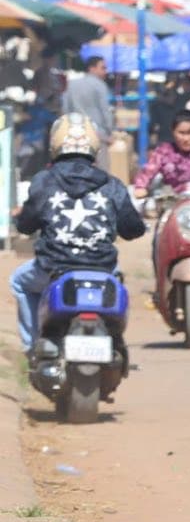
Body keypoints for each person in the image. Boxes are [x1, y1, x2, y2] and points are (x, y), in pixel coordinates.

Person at [12, 115, 146, 354]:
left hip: (52, 269)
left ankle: (32, 347)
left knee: (19, 283)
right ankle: (116, 340)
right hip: (103, 269)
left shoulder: (43, 181)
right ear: (94, 146)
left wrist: (21, 217)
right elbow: (134, 229)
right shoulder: (112, 185)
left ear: (55, 144)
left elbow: (25, 226)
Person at [61, 57, 115, 153]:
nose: (105, 71)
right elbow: (105, 111)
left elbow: (65, 109)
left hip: (76, 134)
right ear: (92, 68)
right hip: (98, 134)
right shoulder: (100, 85)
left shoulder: (72, 84)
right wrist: (110, 131)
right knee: (100, 166)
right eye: (103, 68)